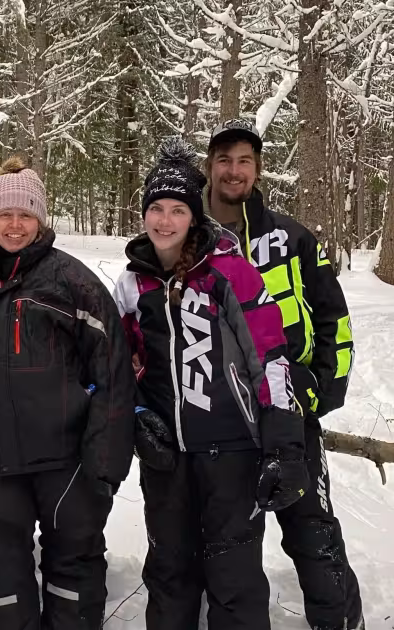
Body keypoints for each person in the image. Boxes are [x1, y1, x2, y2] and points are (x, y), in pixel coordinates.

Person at [114, 138, 308, 630]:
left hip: (233, 454)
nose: (164, 220)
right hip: (167, 456)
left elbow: (272, 358)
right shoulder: (133, 282)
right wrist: (138, 419)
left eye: (177, 209)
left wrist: (284, 446)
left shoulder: (231, 271)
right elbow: (117, 367)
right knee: (170, 574)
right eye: (155, 208)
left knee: (234, 578)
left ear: (194, 216)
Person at [0, 156, 136, 630]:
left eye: (26, 214)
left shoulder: (73, 282)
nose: (15, 225)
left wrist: (106, 463)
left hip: (66, 461)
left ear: (41, 218)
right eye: (6, 215)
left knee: (73, 572)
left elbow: (114, 372)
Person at [205, 119, 363, 630]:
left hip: (291, 414)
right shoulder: (190, 235)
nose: (234, 170)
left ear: (258, 169)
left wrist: (319, 391)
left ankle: (340, 621)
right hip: (222, 421)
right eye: (224, 159)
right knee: (226, 541)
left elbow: (333, 319)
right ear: (209, 167)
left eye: (244, 161)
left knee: (311, 531)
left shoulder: (292, 238)